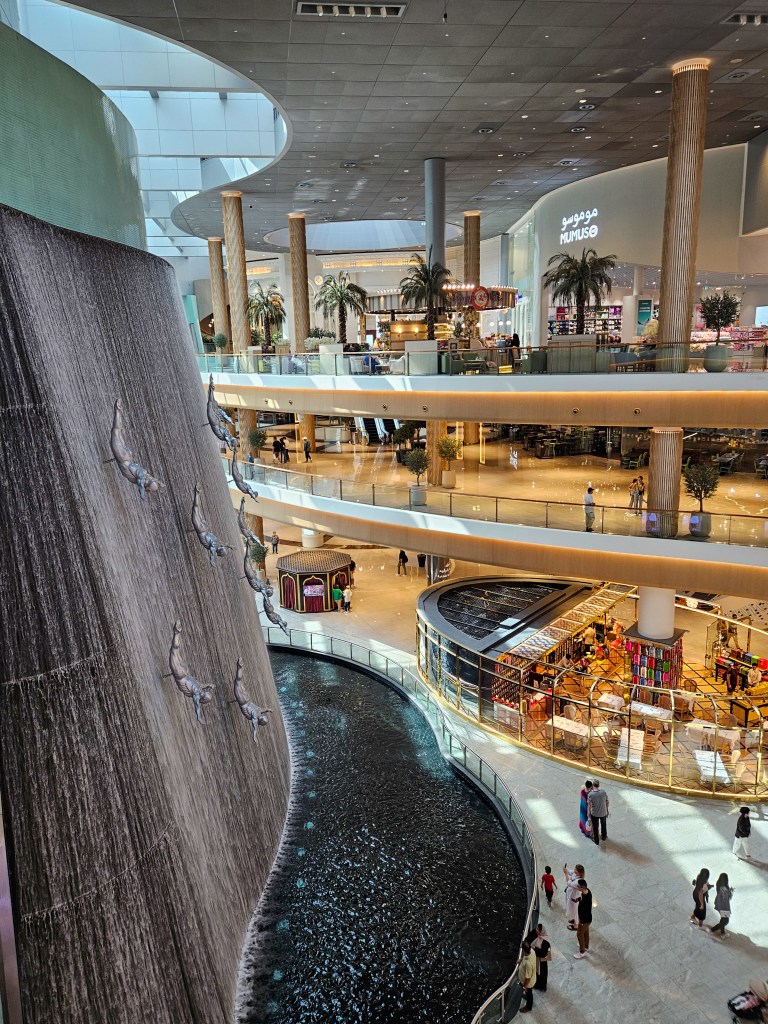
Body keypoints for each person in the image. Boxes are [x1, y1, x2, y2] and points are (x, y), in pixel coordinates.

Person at [573, 879, 592, 959]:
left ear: (582, 888)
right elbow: (582, 897)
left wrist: (581, 922)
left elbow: (584, 911)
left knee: (579, 934)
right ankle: (586, 946)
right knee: (586, 932)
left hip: (584, 920)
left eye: (578, 886)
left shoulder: (585, 901)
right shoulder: (587, 891)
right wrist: (578, 899)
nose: (577, 887)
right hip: (588, 919)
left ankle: (582, 952)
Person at [528, 924, 551, 991]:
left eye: (538, 929)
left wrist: (535, 949)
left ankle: (541, 986)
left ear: (541, 931)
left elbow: (543, 954)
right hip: (536, 959)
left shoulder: (545, 942)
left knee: (541, 973)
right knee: (536, 972)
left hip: (541, 961)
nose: (536, 930)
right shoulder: (536, 936)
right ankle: (537, 984)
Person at [587, 779, 609, 846]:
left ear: (592, 785)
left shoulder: (590, 794)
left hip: (595, 814)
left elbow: (589, 806)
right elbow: (607, 801)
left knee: (595, 827)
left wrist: (588, 813)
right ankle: (604, 837)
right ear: (599, 785)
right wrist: (607, 810)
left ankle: (596, 840)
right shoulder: (603, 792)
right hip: (603, 812)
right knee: (604, 824)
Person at [563, 863, 584, 930]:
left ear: (580, 873)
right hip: (571, 894)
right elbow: (570, 871)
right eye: (575, 868)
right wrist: (565, 869)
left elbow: (569, 883)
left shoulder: (579, 881)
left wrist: (566, 874)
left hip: (574, 897)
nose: (574, 870)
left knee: (575, 911)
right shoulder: (575, 873)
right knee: (572, 909)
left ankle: (576, 925)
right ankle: (573, 920)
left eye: (576, 870)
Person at [517, 941, 537, 1013]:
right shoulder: (532, 951)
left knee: (529, 993)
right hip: (530, 978)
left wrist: (525, 986)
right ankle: (527, 996)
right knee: (528, 993)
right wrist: (521, 959)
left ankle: (528, 1007)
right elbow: (525, 956)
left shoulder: (528, 964)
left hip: (529, 983)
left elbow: (528, 977)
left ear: (524, 950)